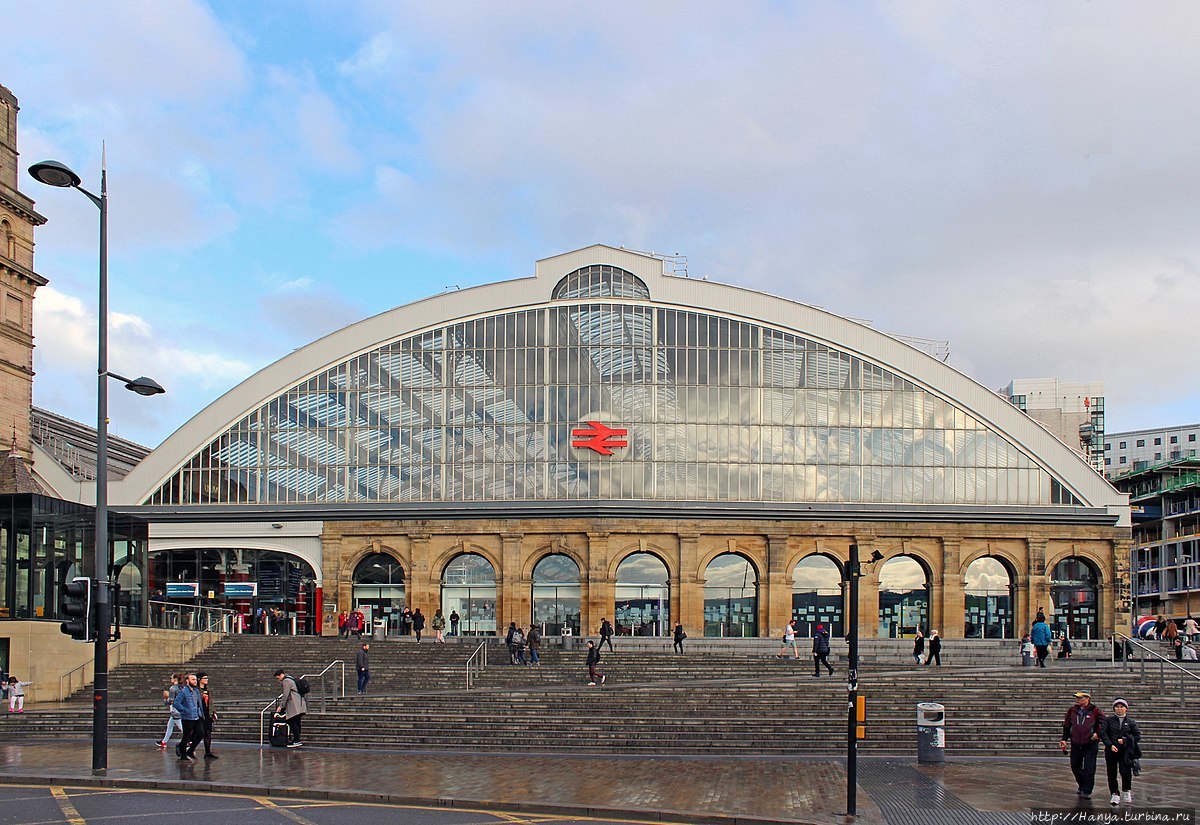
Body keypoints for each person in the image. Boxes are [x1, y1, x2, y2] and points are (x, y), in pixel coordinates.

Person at [1060, 690, 1104, 799]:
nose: (1078, 700)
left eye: (1080, 698)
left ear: (1087, 699)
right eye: (1077, 698)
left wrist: (1097, 734)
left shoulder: (1095, 711)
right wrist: (1064, 739)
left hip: (1090, 743)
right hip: (1076, 742)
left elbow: (1103, 724)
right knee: (1075, 766)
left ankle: (1087, 790)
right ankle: (1082, 784)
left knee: (1089, 767)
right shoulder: (1072, 710)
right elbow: (1067, 725)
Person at [1100, 697, 1141, 805]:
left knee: (1125, 772)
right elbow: (1103, 733)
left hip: (1125, 751)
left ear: (1126, 709)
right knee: (1111, 773)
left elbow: (1137, 736)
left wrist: (1125, 740)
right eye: (1117, 707)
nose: (1119, 709)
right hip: (1111, 750)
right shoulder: (1108, 720)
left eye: (1121, 707)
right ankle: (1114, 793)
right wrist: (1109, 744)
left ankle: (1127, 790)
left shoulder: (1131, 722)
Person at [172, 673, 203, 761]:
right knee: (187, 736)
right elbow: (176, 703)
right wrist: (185, 710)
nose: (195, 681)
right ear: (187, 681)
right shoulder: (183, 692)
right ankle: (183, 755)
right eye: (193, 679)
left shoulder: (196, 691)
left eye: (196, 679)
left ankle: (190, 750)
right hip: (187, 718)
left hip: (197, 716)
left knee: (200, 733)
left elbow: (198, 703)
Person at [274, 669, 308, 748]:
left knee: (291, 720)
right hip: (300, 703)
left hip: (294, 704)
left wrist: (281, 706)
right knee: (297, 721)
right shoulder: (291, 678)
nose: (278, 680)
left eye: (278, 678)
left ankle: (296, 740)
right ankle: (297, 740)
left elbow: (285, 695)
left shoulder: (286, 681)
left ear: (281, 675)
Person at [158, 672, 184, 749]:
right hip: (179, 709)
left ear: (175, 679)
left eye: (172, 678)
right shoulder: (181, 687)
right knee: (169, 726)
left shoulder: (173, 688)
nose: (171, 679)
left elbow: (171, 700)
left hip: (175, 710)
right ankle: (164, 741)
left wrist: (166, 698)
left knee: (182, 727)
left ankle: (189, 740)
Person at [196, 671, 218, 759]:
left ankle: (207, 753)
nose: (206, 680)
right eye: (204, 678)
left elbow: (210, 703)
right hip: (199, 715)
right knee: (198, 734)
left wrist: (214, 712)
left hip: (207, 714)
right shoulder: (196, 690)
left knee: (208, 733)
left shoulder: (207, 691)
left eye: (207, 678)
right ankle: (184, 747)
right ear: (199, 679)